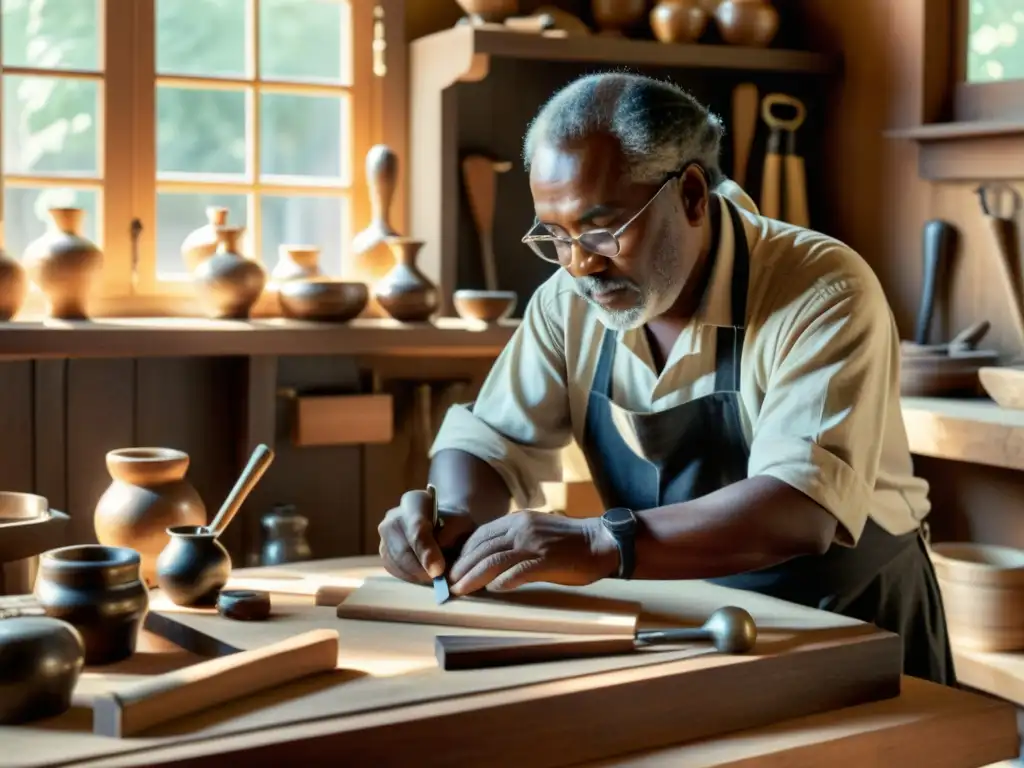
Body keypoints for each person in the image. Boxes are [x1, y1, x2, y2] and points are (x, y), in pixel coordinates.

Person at [377, 72, 954, 685]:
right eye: (556, 236)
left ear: (694, 196)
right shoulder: (566, 303)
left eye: (603, 230)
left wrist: (602, 542)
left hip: (852, 619)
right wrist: (455, 522)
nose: (582, 265)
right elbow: (490, 441)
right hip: (689, 618)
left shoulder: (823, 291)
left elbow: (800, 506)